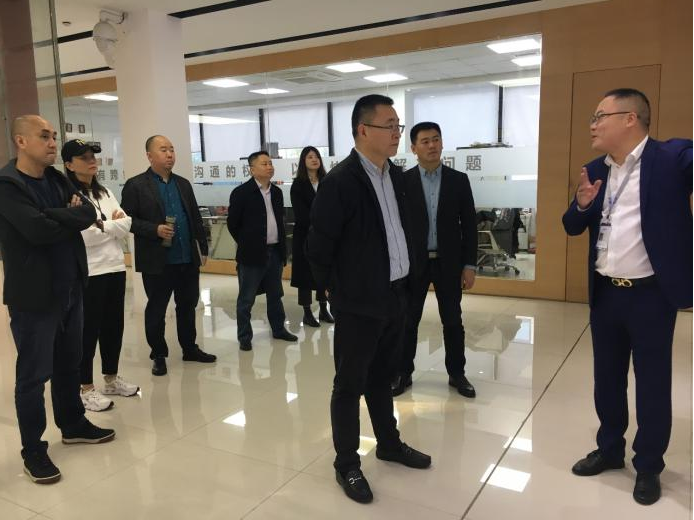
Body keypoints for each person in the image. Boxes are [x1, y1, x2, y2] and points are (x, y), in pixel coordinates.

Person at [562, 88, 692, 505]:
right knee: (607, 379)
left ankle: (649, 465)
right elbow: (571, 225)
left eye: (599, 116)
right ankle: (610, 449)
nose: (592, 125)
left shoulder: (671, 159)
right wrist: (582, 205)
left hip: (650, 296)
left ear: (630, 118)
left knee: (652, 383)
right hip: (606, 293)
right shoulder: (594, 169)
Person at [306, 95, 431, 504]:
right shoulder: (340, 182)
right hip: (358, 302)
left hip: (395, 294)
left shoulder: (397, 177)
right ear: (363, 130)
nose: (397, 133)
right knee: (349, 384)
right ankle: (346, 463)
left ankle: (389, 443)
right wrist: (334, 291)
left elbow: (404, 231)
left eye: (398, 125)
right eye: (389, 125)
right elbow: (318, 246)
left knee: (383, 377)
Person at [0, 116, 116, 485]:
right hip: (35, 296)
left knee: (70, 363)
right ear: (21, 141)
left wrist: (56, 216)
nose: (53, 143)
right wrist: (65, 217)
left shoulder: (56, 178)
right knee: (33, 376)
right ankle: (33, 449)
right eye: (44, 136)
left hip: (71, 288)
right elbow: (36, 230)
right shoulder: (8, 184)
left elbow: (88, 213)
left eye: (53, 136)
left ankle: (73, 424)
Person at [392, 122, 478, 398]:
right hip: (413, 263)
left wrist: (469, 265)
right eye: (425, 141)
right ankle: (402, 372)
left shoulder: (458, 180)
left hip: (448, 262)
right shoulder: (402, 182)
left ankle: (457, 373)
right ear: (413, 148)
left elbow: (469, 225)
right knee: (408, 321)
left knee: (452, 320)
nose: (432, 145)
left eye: (436, 139)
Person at [121, 135, 216, 376]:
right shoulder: (136, 185)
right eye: (163, 150)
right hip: (157, 261)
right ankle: (158, 354)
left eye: (172, 149)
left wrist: (203, 248)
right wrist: (154, 229)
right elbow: (127, 221)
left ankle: (189, 348)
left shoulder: (183, 184)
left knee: (188, 305)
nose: (170, 154)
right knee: (157, 309)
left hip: (186, 258)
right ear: (149, 156)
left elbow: (195, 218)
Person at [63, 139, 139, 411]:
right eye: (83, 158)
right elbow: (84, 236)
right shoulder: (69, 196)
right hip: (90, 271)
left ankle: (111, 378)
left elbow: (127, 224)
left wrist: (102, 225)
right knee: (88, 330)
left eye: (92, 156)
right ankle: (85, 387)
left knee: (113, 327)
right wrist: (111, 225)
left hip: (115, 267)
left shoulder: (104, 191)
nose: (91, 161)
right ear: (69, 165)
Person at [227, 151, 298, 351]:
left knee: (275, 295)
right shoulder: (241, 193)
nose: (269, 167)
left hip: (274, 252)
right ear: (252, 169)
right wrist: (247, 243)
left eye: (270, 163)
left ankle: (278, 329)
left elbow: (280, 222)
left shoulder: (277, 192)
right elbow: (233, 224)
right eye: (264, 164)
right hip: (251, 254)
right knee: (246, 298)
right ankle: (244, 336)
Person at [290, 146, 333, 327]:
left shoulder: (327, 181)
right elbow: (301, 214)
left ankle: (323, 309)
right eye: (310, 157)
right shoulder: (298, 185)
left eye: (316, 156)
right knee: (305, 276)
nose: (314, 160)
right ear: (303, 161)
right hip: (305, 236)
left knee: (323, 273)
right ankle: (307, 313)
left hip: (325, 236)